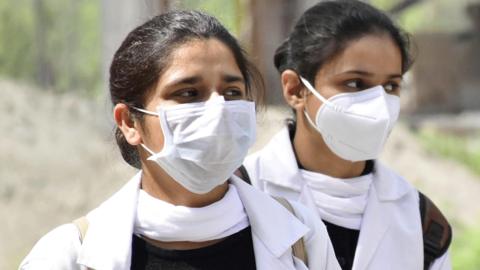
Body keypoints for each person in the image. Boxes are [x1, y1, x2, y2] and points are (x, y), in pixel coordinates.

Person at [19, 10, 340, 270]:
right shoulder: (66, 258)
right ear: (130, 122)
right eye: (189, 93)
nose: (218, 109)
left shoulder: (302, 239)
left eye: (231, 92)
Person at [243, 1, 452, 270]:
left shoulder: (424, 223)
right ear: (295, 89)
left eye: (391, 86)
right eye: (355, 83)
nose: (378, 103)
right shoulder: (240, 196)